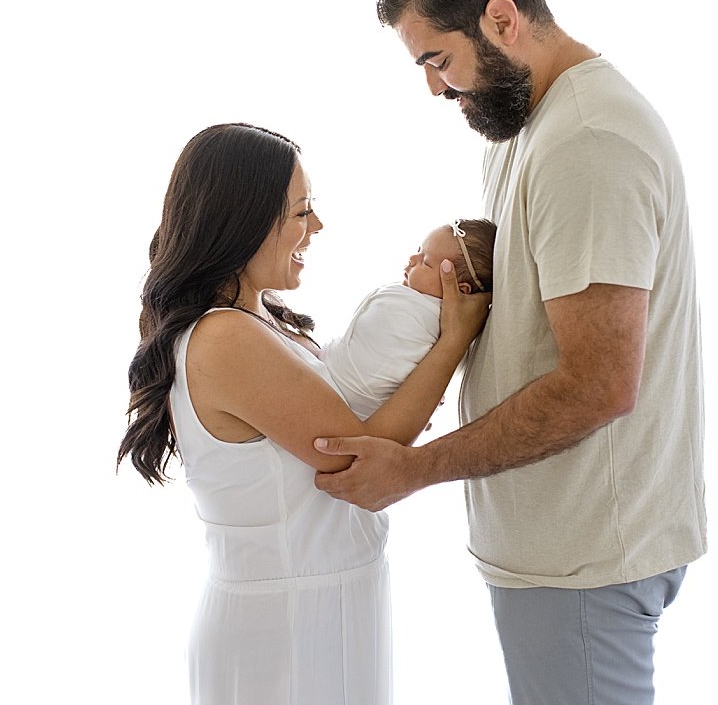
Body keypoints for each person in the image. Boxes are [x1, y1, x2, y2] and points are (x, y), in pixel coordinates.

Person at [313, 0, 707, 705]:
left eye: (438, 60)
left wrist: (415, 469)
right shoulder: (527, 127)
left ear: (502, 19)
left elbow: (598, 384)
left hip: (587, 556)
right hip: (561, 552)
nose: (434, 87)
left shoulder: (587, 139)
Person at [116, 122, 489, 705]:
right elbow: (359, 465)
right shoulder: (225, 340)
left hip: (320, 605)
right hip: (285, 627)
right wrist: (451, 341)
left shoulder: (264, 322)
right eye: (301, 212)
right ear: (244, 222)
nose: (316, 227)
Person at [324, 218, 496, 420]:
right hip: (332, 382)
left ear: (460, 290)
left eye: (426, 262)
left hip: (349, 399)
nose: (412, 258)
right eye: (418, 250)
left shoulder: (427, 318)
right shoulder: (407, 300)